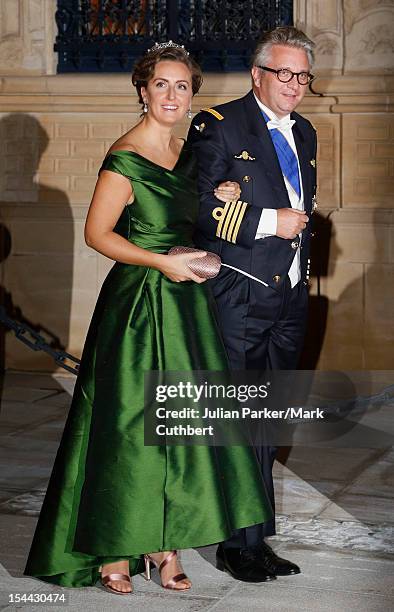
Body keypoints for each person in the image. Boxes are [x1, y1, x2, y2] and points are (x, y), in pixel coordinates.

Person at [24, 43, 274, 595]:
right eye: (161, 84)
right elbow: (99, 234)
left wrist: (222, 195)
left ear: (191, 96)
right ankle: (116, 548)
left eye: (182, 86)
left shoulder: (189, 153)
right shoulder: (126, 155)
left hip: (186, 308)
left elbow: (199, 220)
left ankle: (166, 546)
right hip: (138, 305)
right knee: (129, 426)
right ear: (143, 91)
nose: (172, 95)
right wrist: (162, 260)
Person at [187, 26, 317, 580]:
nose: (293, 85)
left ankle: (256, 536)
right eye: (283, 73)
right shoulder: (217, 125)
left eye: (302, 75)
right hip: (240, 290)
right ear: (257, 74)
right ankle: (234, 544)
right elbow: (192, 206)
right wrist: (267, 222)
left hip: (289, 294)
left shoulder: (306, 132)